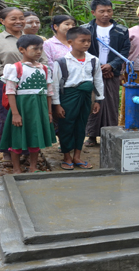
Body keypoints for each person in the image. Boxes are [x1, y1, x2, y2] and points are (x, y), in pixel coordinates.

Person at [0, 8, 48, 164]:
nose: (18, 21)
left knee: (31, 118)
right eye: (13, 18)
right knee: (7, 117)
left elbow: (44, 61)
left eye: (21, 18)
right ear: (2, 21)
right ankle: (8, 151)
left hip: (33, 86)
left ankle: (29, 151)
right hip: (9, 85)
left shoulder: (33, 39)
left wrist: (30, 74)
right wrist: (13, 78)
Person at [0, 35, 56, 174]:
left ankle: (33, 167)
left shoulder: (44, 68)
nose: (39, 51)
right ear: (22, 50)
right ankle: (17, 168)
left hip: (39, 107)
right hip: (22, 107)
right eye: (35, 48)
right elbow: (10, 92)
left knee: (36, 136)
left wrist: (49, 112)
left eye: (41, 48)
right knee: (17, 137)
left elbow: (49, 92)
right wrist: (15, 114)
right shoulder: (15, 68)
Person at [52, 27, 103, 170]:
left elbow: (98, 81)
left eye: (89, 41)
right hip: (68, 97)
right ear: (70, 42)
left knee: (81, 125)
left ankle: (77, 156)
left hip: (86, 97)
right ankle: (67, 156)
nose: (87, 44)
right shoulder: (61, 62)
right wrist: (57, 104)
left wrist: (98, 100)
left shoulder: (93, 60)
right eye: (83, 41)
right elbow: (55, 84)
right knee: (66, 126)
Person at [81, 0, 129, 147]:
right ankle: (91, 136)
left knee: (111, 104)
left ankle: (109, 134)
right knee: (93, 102)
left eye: (109, 11)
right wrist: (98, 68)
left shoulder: (121, 30)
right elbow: (81, 49)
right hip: (90, 72)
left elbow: (125, 50)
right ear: (93, 12)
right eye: (102, 11)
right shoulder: (85, 29)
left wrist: (112, 65)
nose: (106, 14)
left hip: (111, 73)